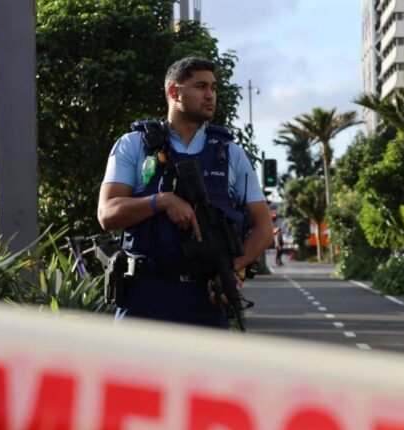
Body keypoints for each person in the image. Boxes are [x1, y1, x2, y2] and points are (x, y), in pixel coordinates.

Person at [97, 57, 273, 328]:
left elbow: (263, 226)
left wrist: (234, 268)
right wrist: (161, 201)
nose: (210, 95)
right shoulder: (134, 145)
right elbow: (107, 214)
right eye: (201, 86)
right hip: (144, 298)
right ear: (174, 92)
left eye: (213, 88)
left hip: (206, 300)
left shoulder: (230, 154)